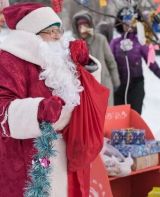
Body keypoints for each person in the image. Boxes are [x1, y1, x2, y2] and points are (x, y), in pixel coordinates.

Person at [0, 2, 108, 197]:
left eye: (60, 30)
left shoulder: (57, 57)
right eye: (52, 31)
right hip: (33, 156)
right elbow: (3, 110)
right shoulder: (9, 60)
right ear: (33, 34)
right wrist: (39, 110)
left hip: (68, 152)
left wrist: (85, 65)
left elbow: (86, 94)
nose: (58, 37)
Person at [110, 7, 160, 114]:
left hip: (136, 86)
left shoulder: (140, 41)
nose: (128, 25)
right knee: (119, 119)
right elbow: (109, 62)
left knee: (134, 118)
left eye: (131, 22)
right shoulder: (115, 43)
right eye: (125, 23)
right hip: (119, 87)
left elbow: (151, 61)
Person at [72, 11, 120, 106]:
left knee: (107, 114)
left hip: (104, 84)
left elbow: (111, 62)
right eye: (80, 26)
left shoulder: (100, 39)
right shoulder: (74, 44)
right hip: (86, 90)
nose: (83, 29)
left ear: (90, 25)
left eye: (85, 25)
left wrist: (116, 81)